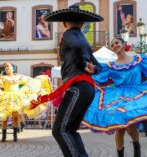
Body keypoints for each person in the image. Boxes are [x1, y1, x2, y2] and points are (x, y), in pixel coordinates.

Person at [29, 4, 103, 157]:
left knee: (60, 130)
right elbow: (99, 67)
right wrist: (91, 68)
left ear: (64, 23)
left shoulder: (70, 34)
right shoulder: (84, 41)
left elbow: (76, 46)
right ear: (82, 24)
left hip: (77, 87)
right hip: (87, 88)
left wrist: (83, 63)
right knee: (70, 130)